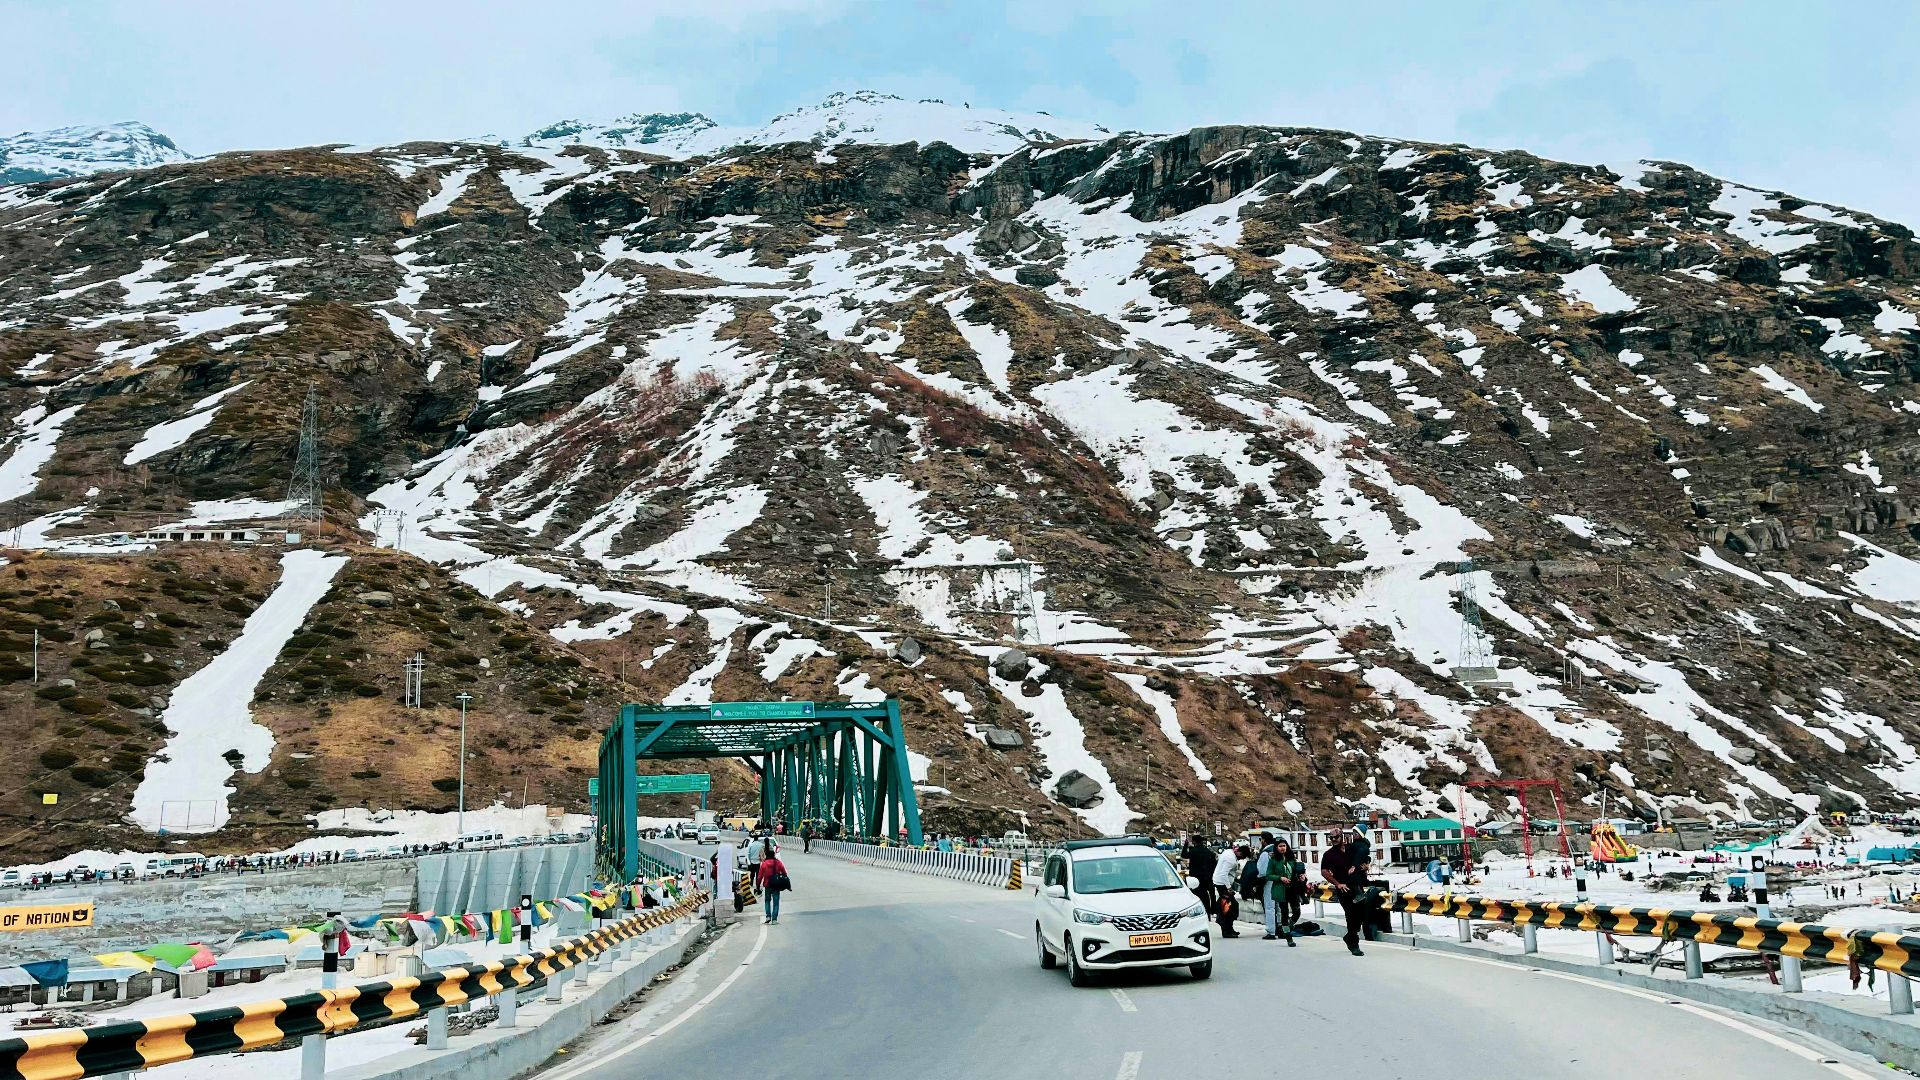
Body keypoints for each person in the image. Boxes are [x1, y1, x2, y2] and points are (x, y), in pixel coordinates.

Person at [1321, 827, 1369, 956]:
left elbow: (1363, 857)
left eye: (1336, 837)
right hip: (1344, 889)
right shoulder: (1329, 854)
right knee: (1351, 915)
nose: (1334, 840)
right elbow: (1324, 871)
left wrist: (1365, 866)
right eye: (1331, 838)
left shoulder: (1352, 848)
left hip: (1357, 886)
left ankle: (1350, 936)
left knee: (1362, 914)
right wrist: (1337, 884)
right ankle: (1354, 944)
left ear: (1342, 837)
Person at [1264, 839, 1306, 945]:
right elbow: (1268, 875)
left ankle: (1288, 926)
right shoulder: (1273, 860)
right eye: (1280, 846)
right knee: (1284, 913)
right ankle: (1288, 937)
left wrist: (1301, 876)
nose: (1282, 848)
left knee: (1297, 912)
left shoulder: (1291, 859)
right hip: (1281, 890)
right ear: (1276, 848)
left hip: (1293, 889)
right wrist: (1280, 878)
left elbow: (1296, 871)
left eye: (1284, 846)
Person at [1212, 844, 1244, 938]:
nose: (1240, 859)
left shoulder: (1228, 852)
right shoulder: (1230, 859)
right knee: (1229, 907)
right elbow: (1223, 874)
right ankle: (1226, 929)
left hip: (1220, 882)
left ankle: (1229, 928)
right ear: (1239, 853)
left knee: (1227, 907)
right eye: (1241, 857)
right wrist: (1229, 888)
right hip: (1222, 885)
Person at [1185, 836, 1218, 912]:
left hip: (1196, 877)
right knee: (1211, 893)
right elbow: (1214, 864)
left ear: (1194, 842)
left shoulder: (1193, 851)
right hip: (1208, 876)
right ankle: (1213, 909)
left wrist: (1186, 845)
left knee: (1198, 895)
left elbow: (1184, 855)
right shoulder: (1208, 851)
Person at [756, 848, 790, 924]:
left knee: (767, 901)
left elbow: (760, 876)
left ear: (766, 856)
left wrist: (758, 885)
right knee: (776, 902)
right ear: (774, 855)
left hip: (767, 885)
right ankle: (774, 920)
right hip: (776, 885)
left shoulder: (764, 864)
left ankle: (768, 916)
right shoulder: (778, 862)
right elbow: (784, 872)